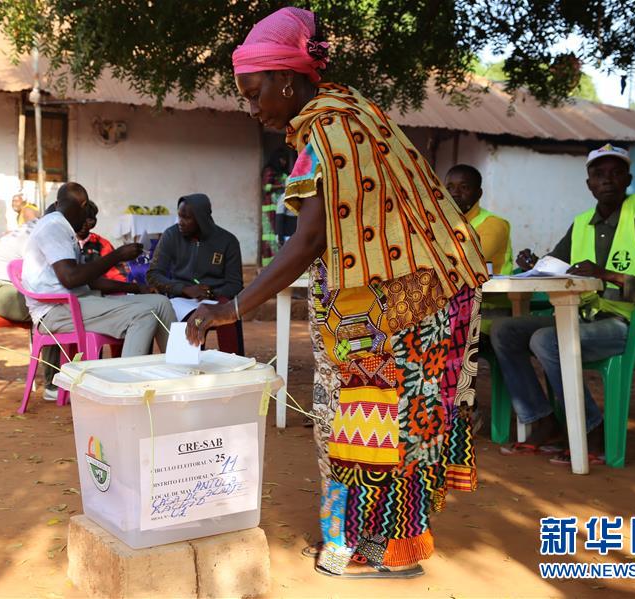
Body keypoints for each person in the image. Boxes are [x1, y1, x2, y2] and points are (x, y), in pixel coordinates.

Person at [185, 7, 488, 579]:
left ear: (287, 79)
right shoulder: (351, 115)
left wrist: (230, 306)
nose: (253, 110)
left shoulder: (327, 129)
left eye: (254, 94)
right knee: (385, 422)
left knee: (362, 420)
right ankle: (389, 549)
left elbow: (309, 242)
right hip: (414, 294)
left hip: (396, 302)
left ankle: (363, 550)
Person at [491, 144, 635, 465]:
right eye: (598, 175)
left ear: (628, 179)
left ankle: (591, 429)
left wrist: (610, 276)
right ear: (589, 185)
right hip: (587, 320)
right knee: (504, 330)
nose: (607, 180)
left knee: (547, 340)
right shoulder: (582, 223)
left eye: (615, 173)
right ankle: (544, 421)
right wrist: (534, 263)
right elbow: (556, 268)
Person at [22, 182, 175, 358]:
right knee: (142, 316)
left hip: (79, 302)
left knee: (161, 304)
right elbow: (70, 278)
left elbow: (87, 278)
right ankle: (128, 383)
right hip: (55, 310)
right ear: (84, 206)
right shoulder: (54, 226)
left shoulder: (62, 227)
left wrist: (135, 289)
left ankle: (180, 368)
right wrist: (117, 255)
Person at [147, 194, 244, 303]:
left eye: (186, 218)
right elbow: (153, 275)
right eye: (179, 216)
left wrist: (211, 294)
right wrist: (183, 289)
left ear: (202, 219)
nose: (180, 222)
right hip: (179, 300)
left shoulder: (228, 241)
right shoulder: (171, 235)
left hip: (215, 302)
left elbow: (235, 285)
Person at [445, 164, 513, 275]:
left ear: (478, 194)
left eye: (464, 187)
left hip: (491, 291)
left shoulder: (493, 224)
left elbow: (469, 261)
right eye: (449, 188)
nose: (455, 193)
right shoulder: (443, 221)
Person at [260, 149, 290, 266]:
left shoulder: (284, 172)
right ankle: (268, 265)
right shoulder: (269, 171)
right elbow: (266, 187)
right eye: (282, 159)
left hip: (281, 208)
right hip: (270, 208)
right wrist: (282, 185)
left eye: (285, 160)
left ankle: (279, 263)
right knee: (269, 235)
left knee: (280, 234)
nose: (284, 162)